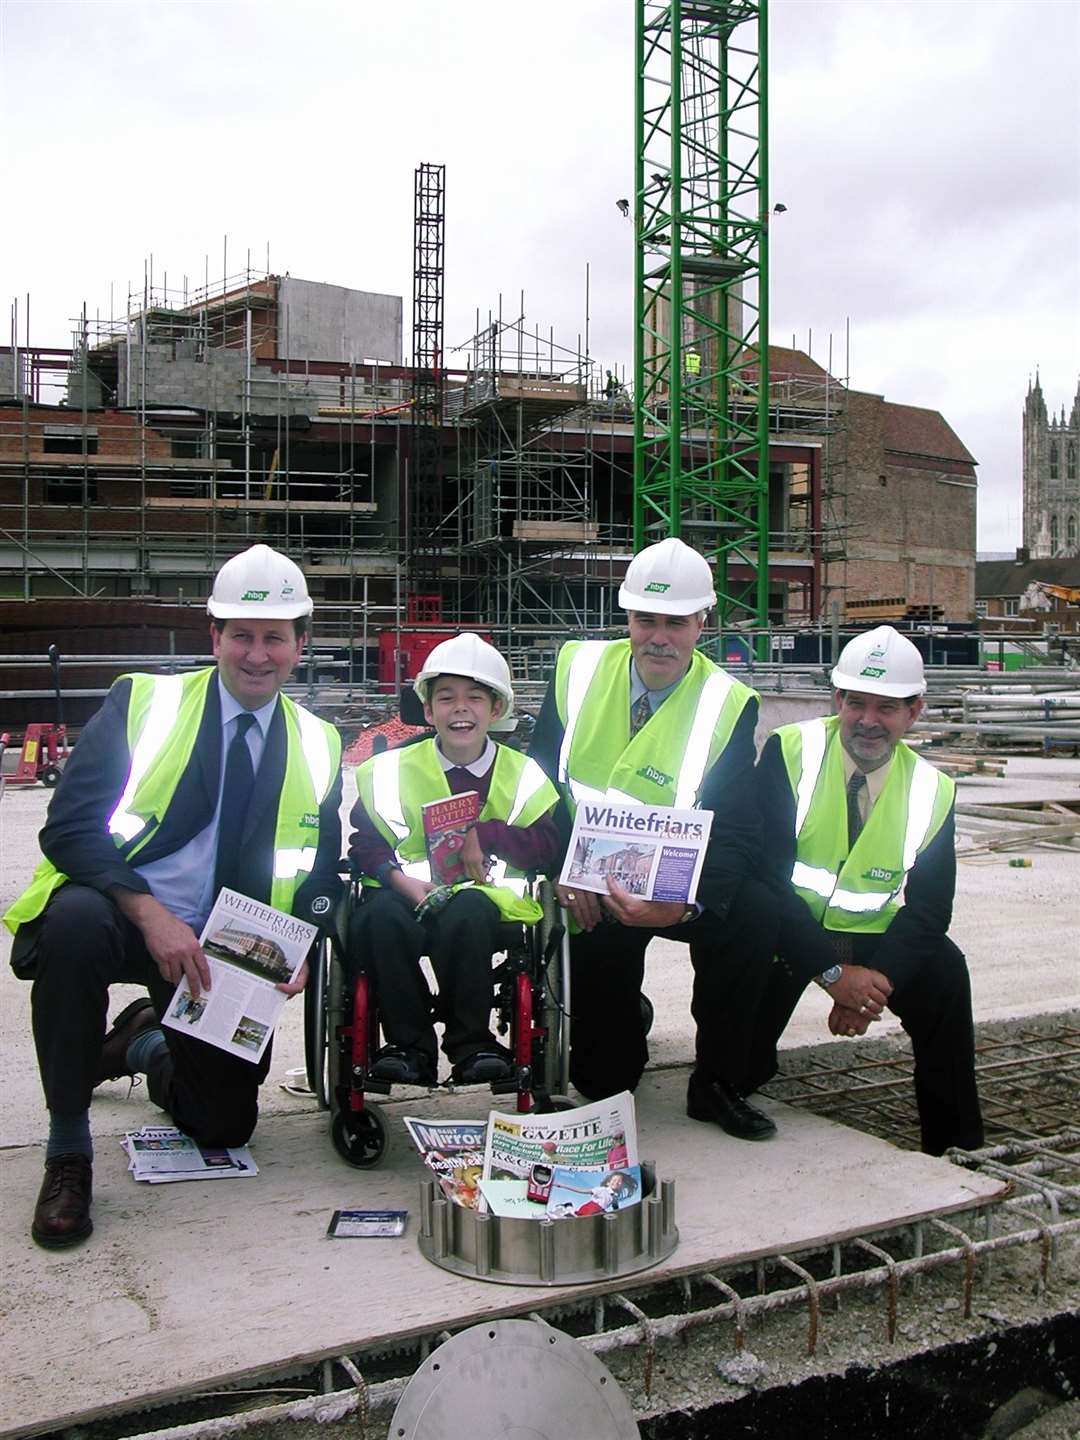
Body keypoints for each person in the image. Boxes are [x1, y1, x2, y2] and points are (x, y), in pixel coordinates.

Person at [5, 544, 343, 1248]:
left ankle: (142, 1045)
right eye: (241, 636)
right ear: (212, 636)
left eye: (274, 637)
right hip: (122, 912)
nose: (257, 655)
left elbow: (317, 871)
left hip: (221, 947)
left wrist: (301, 942)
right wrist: (148, 912)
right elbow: (67, 829)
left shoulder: (318, 742)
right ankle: (68, 1151)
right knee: (71, 926)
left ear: (300, 644)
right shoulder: (145, 704)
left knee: (223, 1123)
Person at [529, 536, 778, 1141]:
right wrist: (565, 871)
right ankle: (626, 1024)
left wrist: (682, 904)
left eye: (676, 621)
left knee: (755, 911)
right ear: (627, 618)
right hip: (593, 886)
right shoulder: (579, 671)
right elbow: (532, 782)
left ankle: (719, 1079)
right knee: (604, 1079)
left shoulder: (727, 703)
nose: (659, 637)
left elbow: (737, 831)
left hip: (675, 883)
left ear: (702, 622)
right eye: (646, 620)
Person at [748, 626, 984, 1156]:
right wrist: (831, 975)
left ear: (915, 711)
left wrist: (874, 986)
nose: (869, 721)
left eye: (888, 707)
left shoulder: (932, 790)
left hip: (871, 938)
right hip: (790, 933)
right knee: (740, 1030)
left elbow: (929, 910)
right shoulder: (792, 752)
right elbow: (764, 877)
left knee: (945, 972)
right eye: (857, 703)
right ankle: (731, 1080)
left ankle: (956, 1147)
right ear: (838, 700)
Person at [348, 633, 560, 1087]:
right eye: (446, 698)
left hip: (487, 903)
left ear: (496, 710)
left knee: (469, 911)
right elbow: (365, 845)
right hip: (406, 894)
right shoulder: (387, 773)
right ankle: (409, 1046)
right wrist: (398, 880)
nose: (460, 708)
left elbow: (547, 845)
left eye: (474, 698)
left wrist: (488, 834)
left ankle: (473, 1043)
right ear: (428, 711)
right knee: (377, 919)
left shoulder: (523, 775)